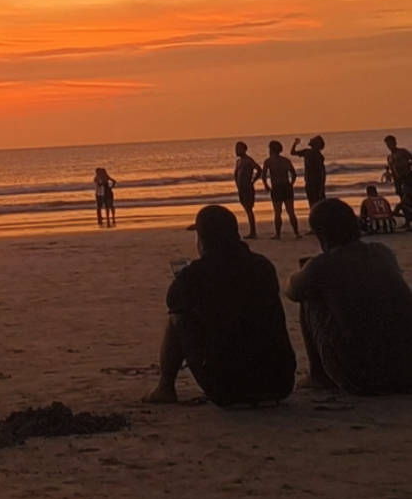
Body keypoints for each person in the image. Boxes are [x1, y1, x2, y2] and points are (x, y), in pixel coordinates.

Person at [143, 205, 295, 407]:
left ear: (203, 239)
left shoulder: (195, 274)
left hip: (227, 387)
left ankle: (165, 387)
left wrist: (186, 284)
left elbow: (173, 302)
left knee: (178, 315)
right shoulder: (262, 265)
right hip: (280, 382)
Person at [284, 198, 412, 396]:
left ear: (321, 234)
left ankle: (318, 376)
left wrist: (308, 269)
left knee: (308, 295)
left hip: (364, 377)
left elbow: (292, 291)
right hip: (407, 369)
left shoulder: (322, 266)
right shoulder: (382, 252)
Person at [262, 140, 300, 239]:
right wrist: (291, 184)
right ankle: (296, 233)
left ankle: (278, 234)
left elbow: (263, 175)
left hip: (277, 187)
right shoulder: (286, 160)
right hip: (286, 186)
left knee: (278, 212)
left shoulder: (268, 161)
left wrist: (266, 185)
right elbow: (293, 174)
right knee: (290, 211)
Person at [383, 135, 412, 231]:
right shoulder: (389, 157)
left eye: (391, 143)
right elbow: (393, 170)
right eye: (388, 144)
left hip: (408, 178)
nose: (389, 146)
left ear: (395, 142)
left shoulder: (402, 152)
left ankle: (407, 220)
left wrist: (407, 166)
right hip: (398, 181)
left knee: (407, 200)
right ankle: (407, 222)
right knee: (402, 201)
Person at [233, 142, 262, 239]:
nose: (237, 151)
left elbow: (259, 169)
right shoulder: (239, 161)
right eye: (236, 148)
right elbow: (236, 174)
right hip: (241, 188)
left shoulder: (248, 160)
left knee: (249, 209)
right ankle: (252, 231)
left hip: (247, 187)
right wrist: (237, 183)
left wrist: (253, 181)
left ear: (244, 149)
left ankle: (253, 232)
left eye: (239, 149)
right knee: (246, 208)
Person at [291, 136, 327, 210]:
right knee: (313, 203)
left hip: (316, 182)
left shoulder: (317, 155)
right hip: (309, 182)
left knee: (318, 204)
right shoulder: (307, 152)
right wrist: (295, 143)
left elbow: (322, 172)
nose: (310, 139)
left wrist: (322, 186)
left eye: (313, 139)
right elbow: (293, 152)